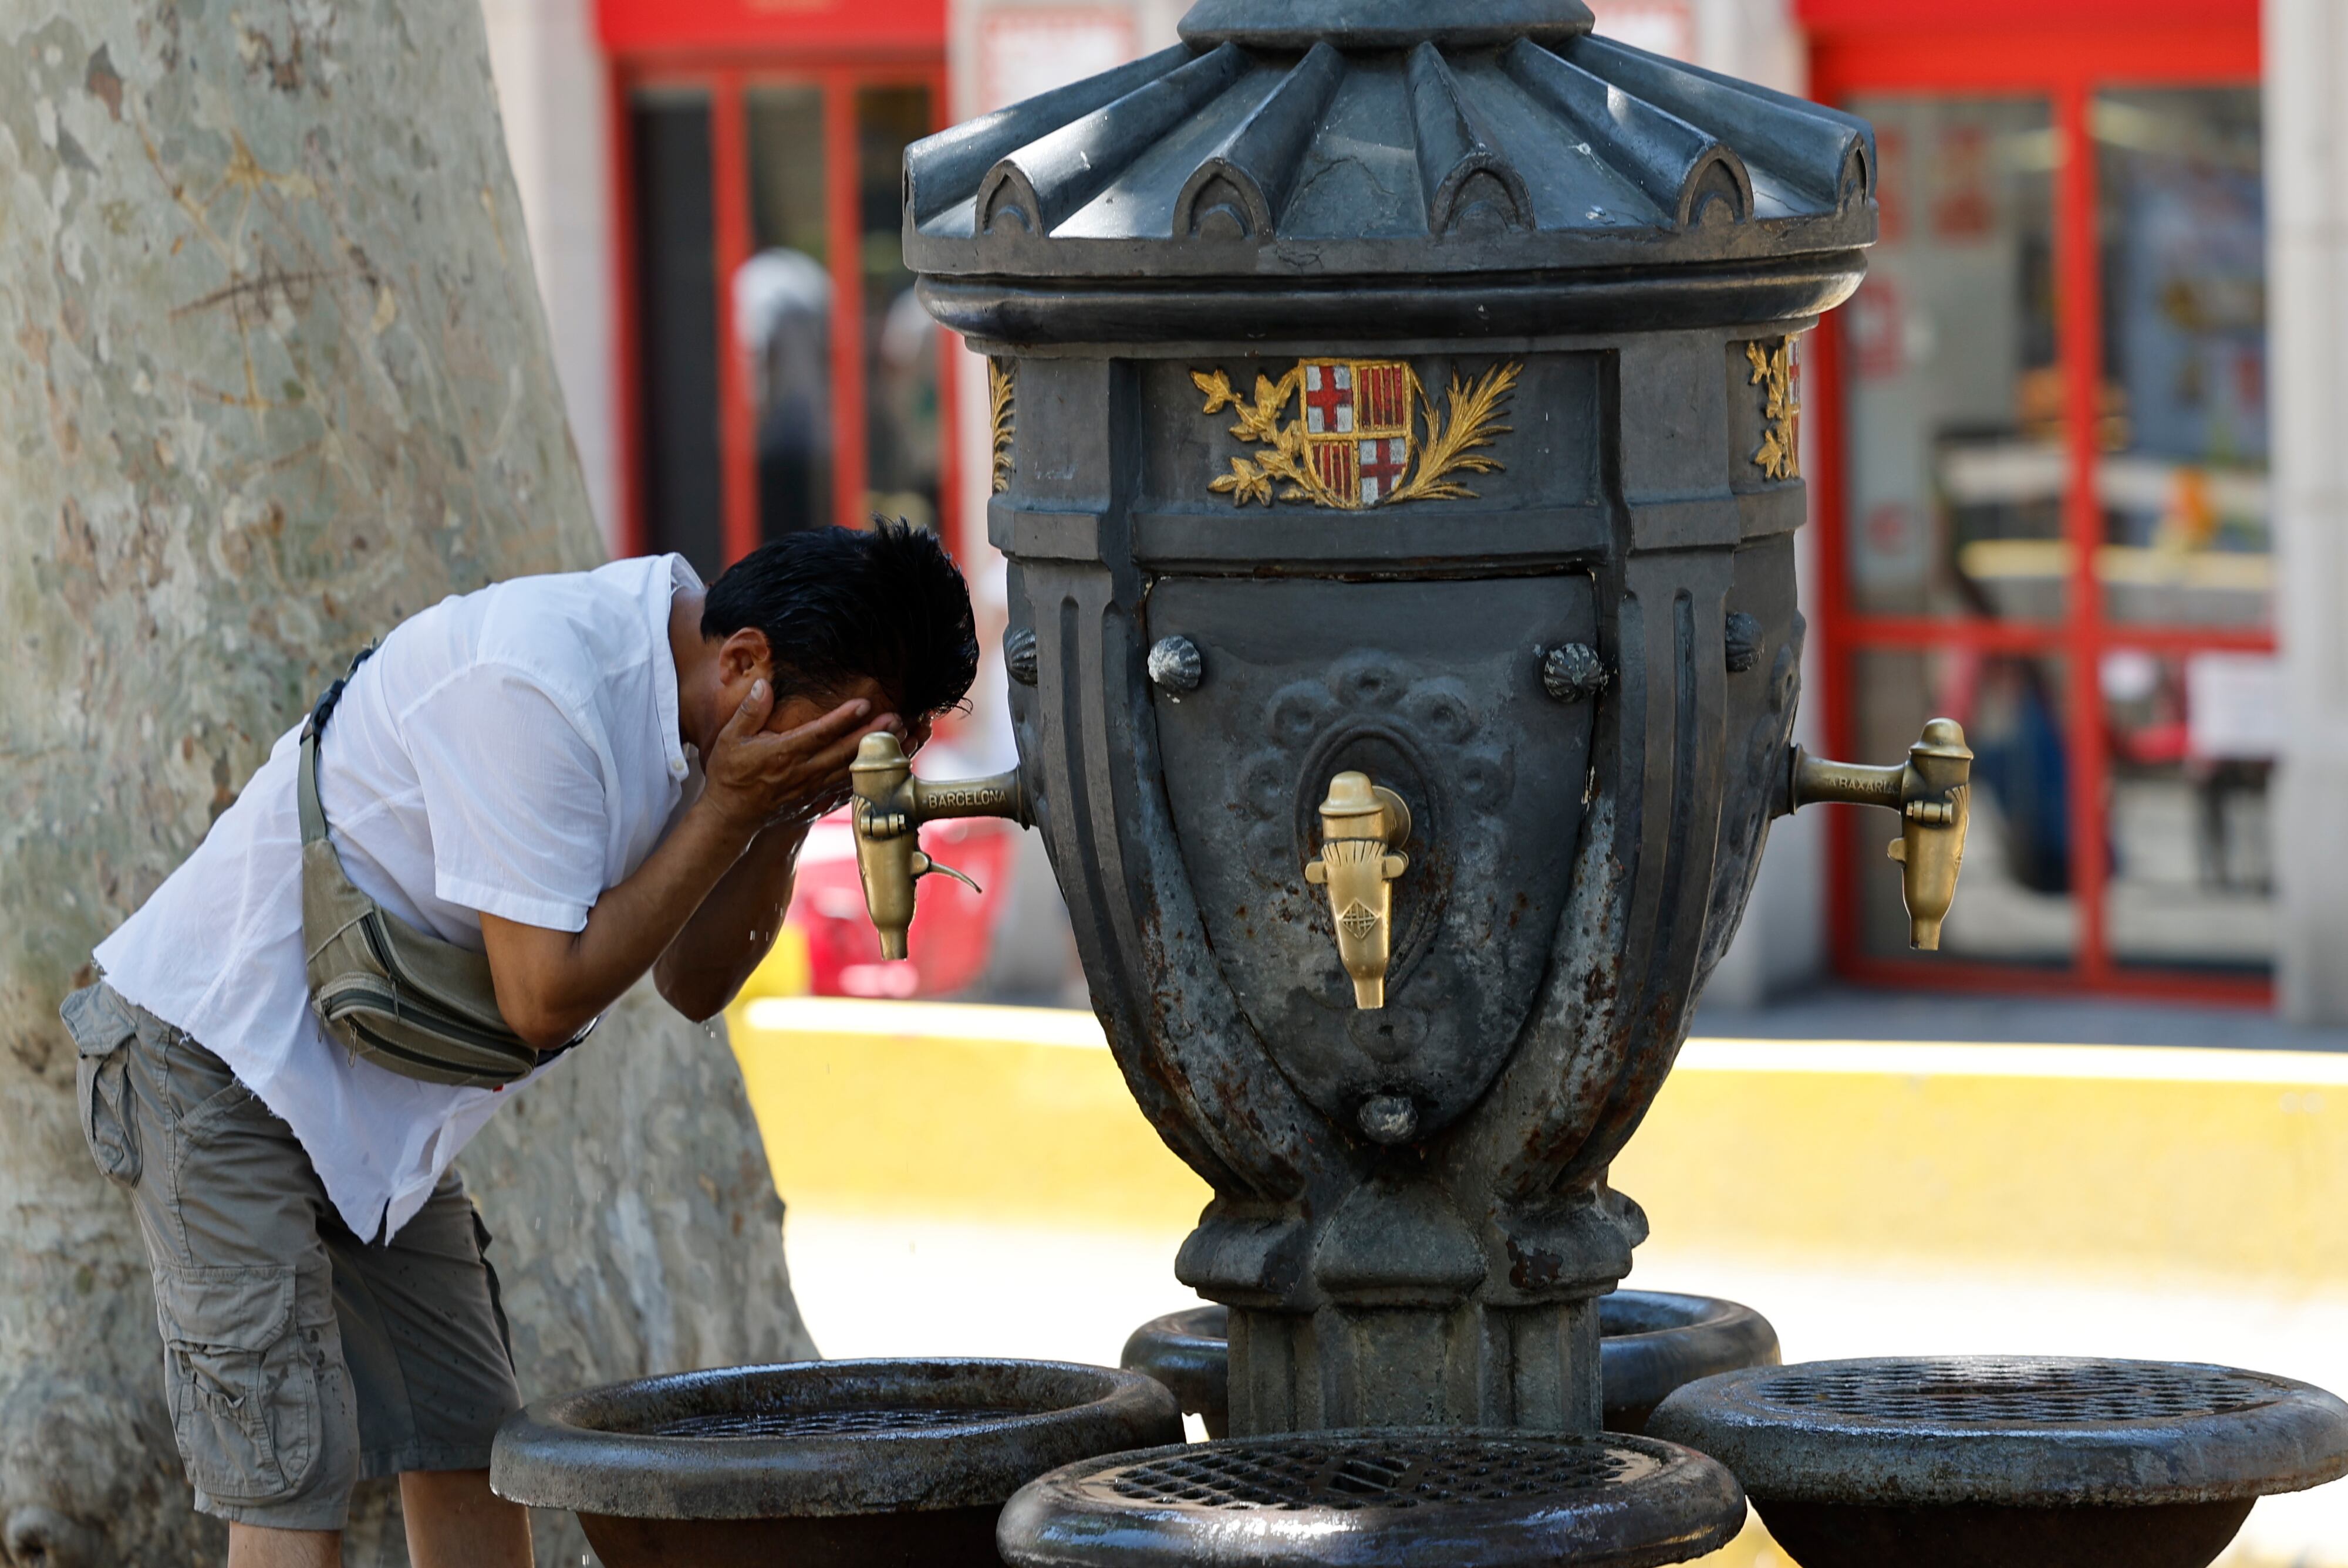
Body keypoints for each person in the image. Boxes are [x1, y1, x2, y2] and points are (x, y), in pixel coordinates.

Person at [59, 524, 979, 1568]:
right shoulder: (541, 683)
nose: (837, 776)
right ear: (746, 663)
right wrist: (732, 805)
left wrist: (777, 813)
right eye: (836, 744)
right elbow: (542, 997)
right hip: (214, 1060)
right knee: (288, 1465)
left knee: (469, 1436)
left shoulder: (716, 725)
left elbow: (693, 985)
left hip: (373, 1105)